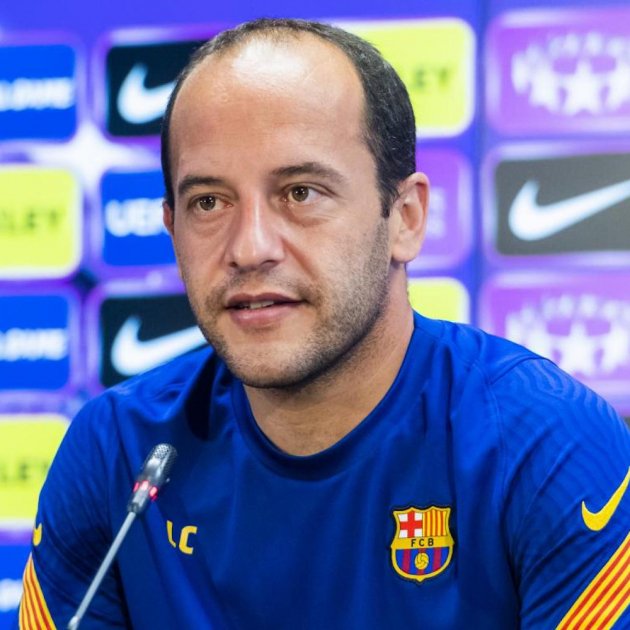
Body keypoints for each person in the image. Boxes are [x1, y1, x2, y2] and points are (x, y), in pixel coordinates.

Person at [18, 18, 630, 629]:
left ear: (406, 218)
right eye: (209, 202)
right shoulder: (115, 451)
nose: (250, 247)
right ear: (172, 229)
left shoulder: (548, 446)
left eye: (301, 193)